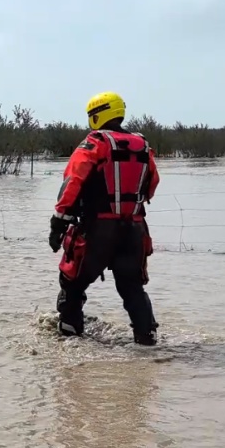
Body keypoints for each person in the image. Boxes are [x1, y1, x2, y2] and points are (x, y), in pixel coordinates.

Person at [49, 91, 161, 345]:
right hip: (134, 230)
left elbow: (72, 183)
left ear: (97, 115)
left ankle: (69, 339)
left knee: (72, 283)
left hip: (97, 230)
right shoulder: (143, 146)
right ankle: (147, 341)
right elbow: (152, 185)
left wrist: (57, 224)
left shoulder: (94, 143)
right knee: (132, 288)